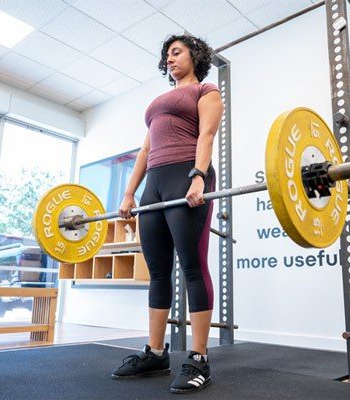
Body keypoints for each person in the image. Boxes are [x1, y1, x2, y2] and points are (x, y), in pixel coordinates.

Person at [111, 34, 223, 394]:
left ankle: (199, 359)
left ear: (196, 56)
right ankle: (156, 352)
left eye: (177, 52)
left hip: (186, 175)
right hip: (154, 184)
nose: (170, 59)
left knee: (192, 265)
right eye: (167, 55)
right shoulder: (158, 103)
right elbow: (145, 150)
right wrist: (129, 192)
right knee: (158, 271)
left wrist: (199, 176)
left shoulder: (206, 91)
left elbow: (206, 135)